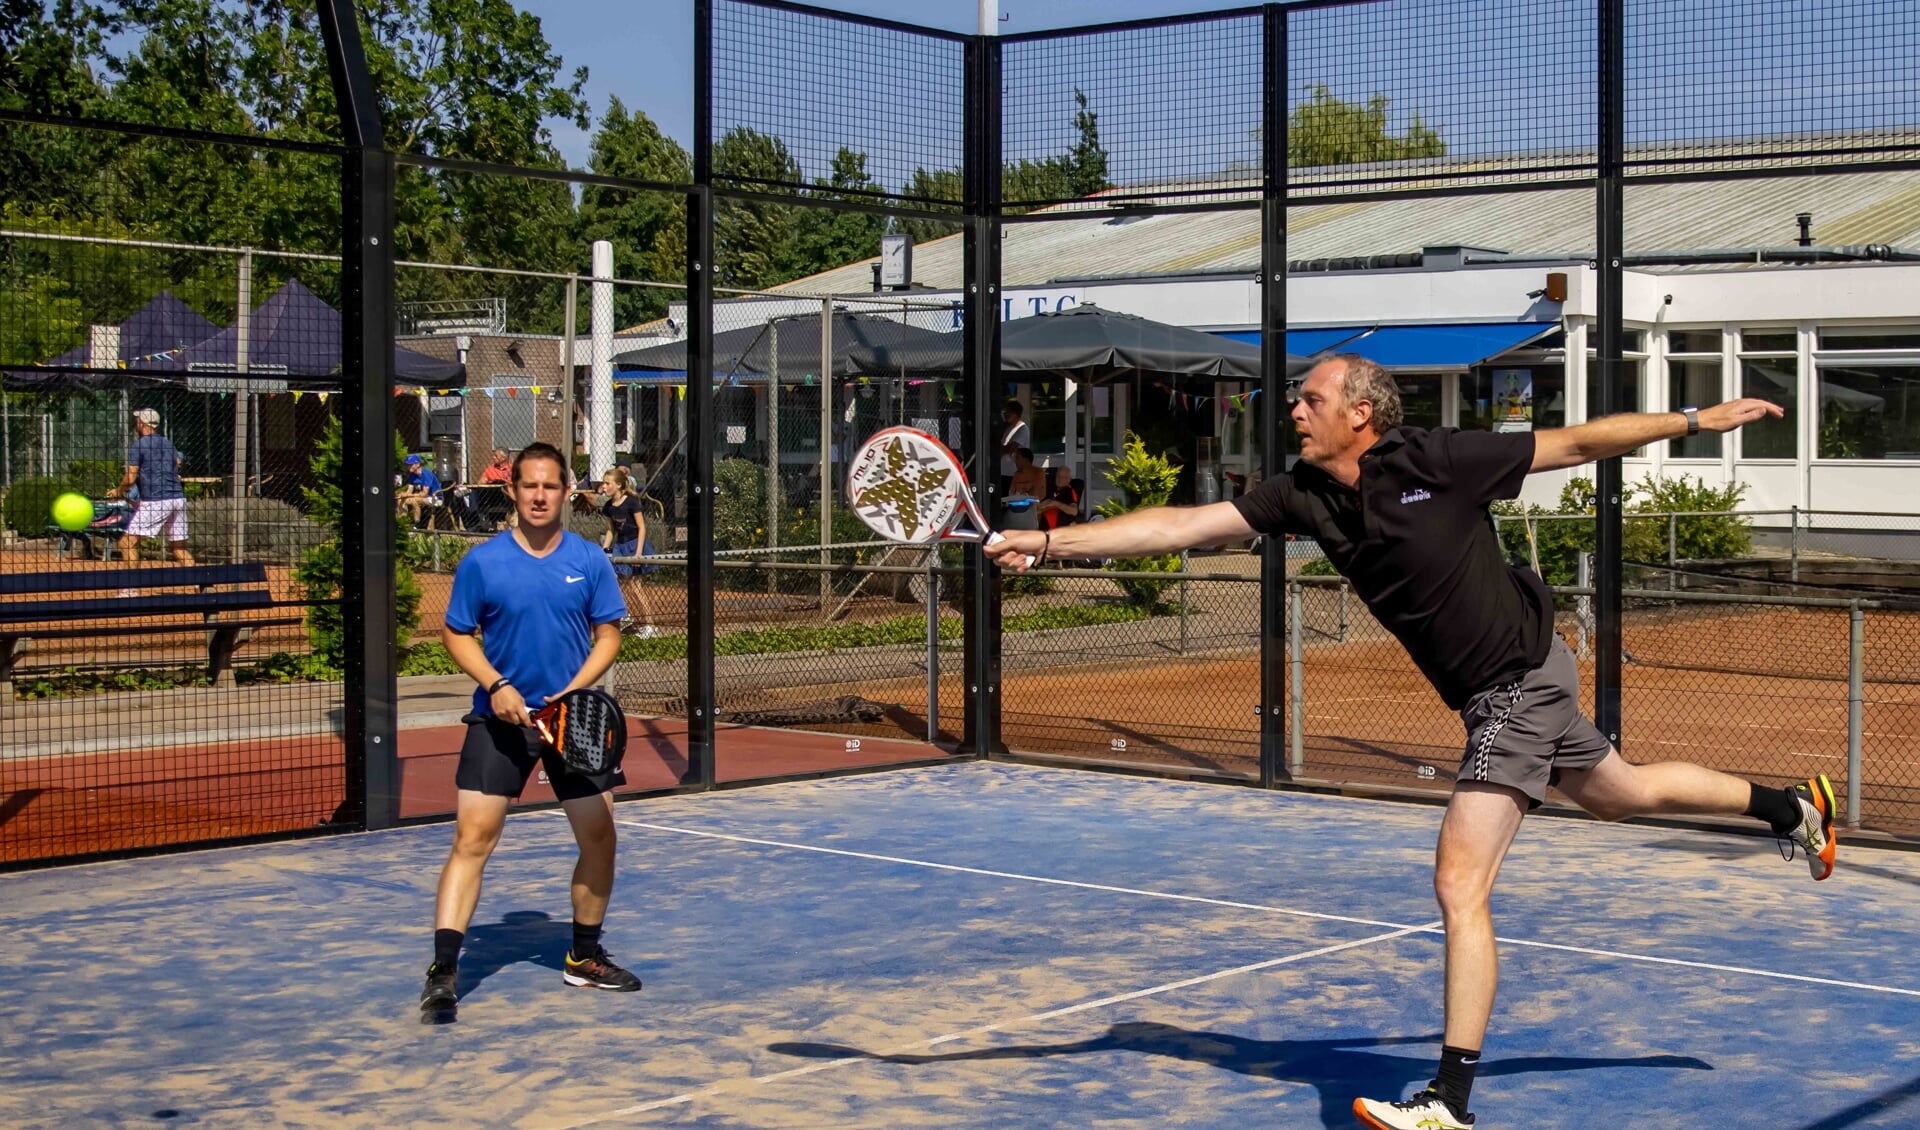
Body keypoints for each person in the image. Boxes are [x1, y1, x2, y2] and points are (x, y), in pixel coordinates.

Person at [985, 354, 1838, 1129]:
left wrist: (1694, 421)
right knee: (1626, 793)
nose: (1295, 410)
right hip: (1494, 691)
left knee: (1458, 881)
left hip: (1520, 677)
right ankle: (1793, 806)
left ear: (1362, 413)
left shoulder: (1436, 460)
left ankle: (1447, 1104)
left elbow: (1577, 443)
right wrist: (1051, 541)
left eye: (1311, 399)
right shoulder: (1301, 495)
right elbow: (1180, 527)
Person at [421, 441, 641, 1018]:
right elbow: (457, 633)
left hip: (572, 723)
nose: (540, 495)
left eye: (551, 486)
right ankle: (444, 970)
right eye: (529, 486)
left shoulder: (589, 560)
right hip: (499, 722)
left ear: (567, 492)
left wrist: (573, 691)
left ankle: (583, 959)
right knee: (473, 839)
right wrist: (497, 685)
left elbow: (609, 635)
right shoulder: (483, 563)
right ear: (512, 491)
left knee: (600, 838)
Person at [107, 407, 193, 570]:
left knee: (126, 543)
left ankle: (130, 590)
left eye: (137, 419)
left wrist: (119, 491)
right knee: (180, 548)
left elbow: (130, 478)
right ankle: (201, 584)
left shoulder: (139, 445)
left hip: (157, 501)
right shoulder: (168, 444)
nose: (136, 422)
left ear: (142, 423)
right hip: (178, 499)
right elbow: (176, 465)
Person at [595, 466, 658, 638]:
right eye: (604, 483)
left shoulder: (631, 502)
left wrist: (638, 553)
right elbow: (610, 530)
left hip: (634, 544)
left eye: (608, 483)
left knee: (635, 586)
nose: (604, 487)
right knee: (617, 583)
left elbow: (642, 528)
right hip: (620, 546)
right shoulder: (609, 506)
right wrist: (604, 550)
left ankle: (651, 625)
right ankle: (625, 616)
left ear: (619, 485)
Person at [398, 454, 444, 528]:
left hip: (434, 498)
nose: (408, 467)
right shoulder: (412, 475)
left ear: (417, 464)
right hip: (422, 497)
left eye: (410, 465)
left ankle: (417, 525)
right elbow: (409, 490)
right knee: (401, 500)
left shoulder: (426, 474)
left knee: (413, 500)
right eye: (407, 465)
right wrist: (404, 495)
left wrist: (409, 495)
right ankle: (403, 523)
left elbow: (424, 494)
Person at [998, 399, 1029, 498]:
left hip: (1013, 474)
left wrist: (998, 451)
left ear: (1015, 413)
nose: (1006, 414)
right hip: (1003, 473)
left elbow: (1011, 448)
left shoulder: (1023, 429)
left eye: (1008, 412)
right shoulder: (1009, 429)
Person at [1036, 465, 1081, 531]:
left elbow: (1074, 511)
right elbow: (1043, 504)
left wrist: (1056, 504)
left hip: (1057, 530)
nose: (1060, 479)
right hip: (1046, 528)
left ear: (1069, 479)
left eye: (1064, 477)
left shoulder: (1068, 491)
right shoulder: (1054, 489)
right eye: (1058, 476)